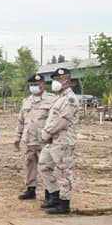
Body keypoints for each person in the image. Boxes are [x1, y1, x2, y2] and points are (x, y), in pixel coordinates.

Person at [39, 67, 80, 215]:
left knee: (63, 171)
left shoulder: (69, 99)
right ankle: (54, 195)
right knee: (44, 165)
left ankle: (64, 204)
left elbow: (61, 121)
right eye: (55, 80)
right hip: (52, 140)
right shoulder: (59, 98)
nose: (55, 83)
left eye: (59, 80)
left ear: (67, 80)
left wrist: (46, 132)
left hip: (62, 140)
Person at [14, 73, 57, 201]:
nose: (34, 87)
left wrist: (51, 136)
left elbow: (54, 121)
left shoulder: (52, 100)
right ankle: (30, 189)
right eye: (31, 85)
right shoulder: (27, 101)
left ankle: (50, 192)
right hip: (28, 139)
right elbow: (21, 120)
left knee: (46, 166)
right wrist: (17, 136)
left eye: (36, 84)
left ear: (43, 84)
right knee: (29, 164)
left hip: (45, 140)